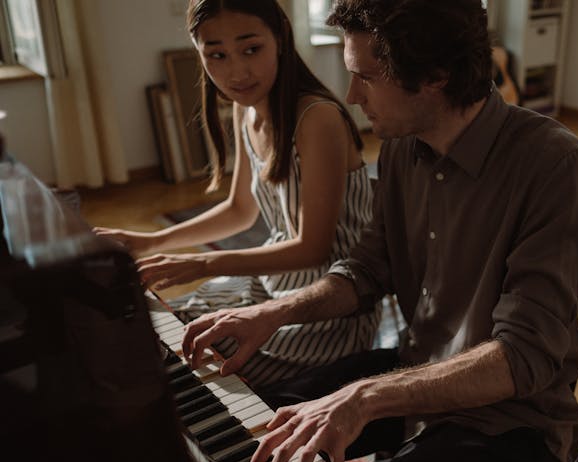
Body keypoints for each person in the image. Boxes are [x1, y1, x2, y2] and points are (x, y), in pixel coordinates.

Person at [182, 0, 578, 462]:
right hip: (418, 371)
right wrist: (271, 313)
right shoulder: (404, 144)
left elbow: (523, 357)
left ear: (436, 76)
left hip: (513, 427)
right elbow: (366, 269)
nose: (351, 95)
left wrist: (362, 399)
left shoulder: (554, 166)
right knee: (247, 429)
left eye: (366, 77)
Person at [95, 0, 379, 389]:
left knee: (190, 366)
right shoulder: (248, 111)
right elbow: (239, 210)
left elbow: (312, 249)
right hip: (274, 282)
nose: (237, 71)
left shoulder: (317, 117)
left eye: (251, 49)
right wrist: (150, 240)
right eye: (217, 55)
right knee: (163, 327)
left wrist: (203, 265)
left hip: (328, 309)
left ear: (279, 38)